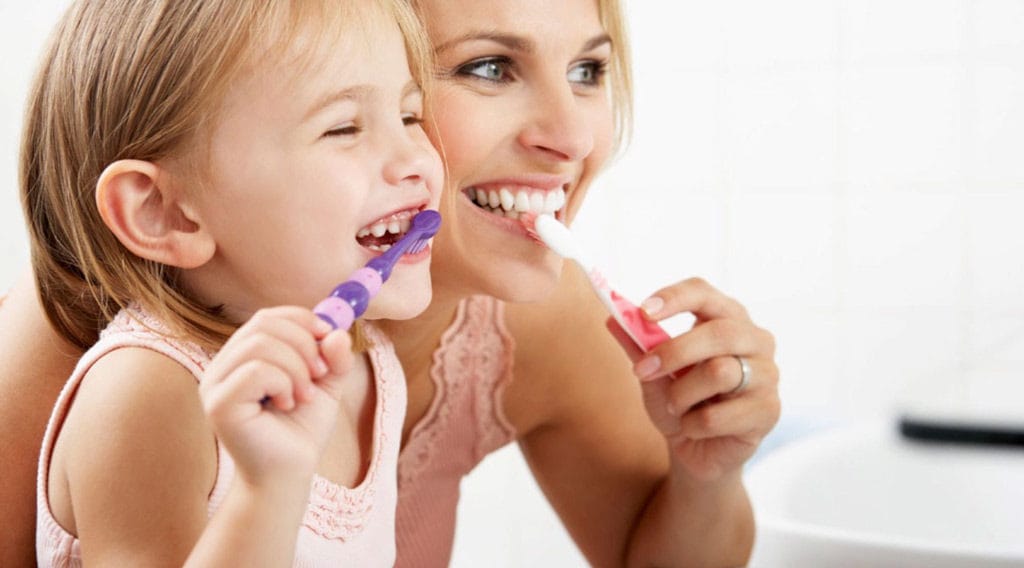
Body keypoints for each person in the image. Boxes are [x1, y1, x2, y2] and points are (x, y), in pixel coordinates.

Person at [1, 0, 781, 566]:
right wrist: (269, 489)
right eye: (487, 66)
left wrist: (706, 471)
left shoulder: (372, 358)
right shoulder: (135, 377)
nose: (574, 137)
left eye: (589, 69)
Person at [18, 0, 442, 565]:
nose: (415, 157)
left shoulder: (369, 361)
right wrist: (268, 492)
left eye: (410, 115)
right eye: (343, 127)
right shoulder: (147, 395)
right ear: (165, 213)